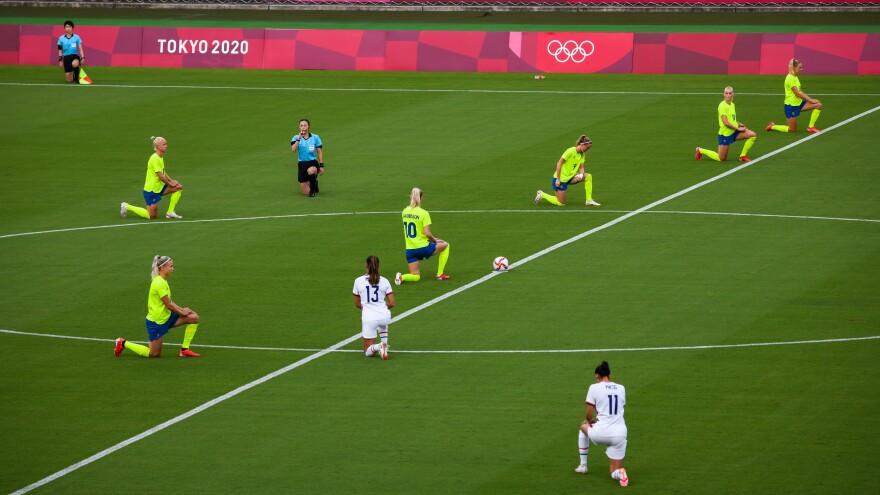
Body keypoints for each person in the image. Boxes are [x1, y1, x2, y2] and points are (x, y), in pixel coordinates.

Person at [115, 256, 202, 358]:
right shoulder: (159, 283)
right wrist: (182, 313)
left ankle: (184, 350)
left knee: (194, 318)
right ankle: (122, 343)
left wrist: (182, 309)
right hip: (157, 322)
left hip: (166, 317)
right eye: (171, 266)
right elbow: (168, 305)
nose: (173, 268)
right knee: (154, 354)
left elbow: (169, 301)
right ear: (163, 268)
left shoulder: (163, 280)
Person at [575, 360, 629, 487]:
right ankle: (620, 473)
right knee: (613, 471)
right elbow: (619, 409)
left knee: (582, 427)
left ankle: (583, 466)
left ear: (597, 376)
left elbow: (588, 415)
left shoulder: (594, 387)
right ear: (610, 375)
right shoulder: (621, 388)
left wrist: (591, 421)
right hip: (620, 435)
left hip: (601, 433)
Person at [395, 187, 450, 285]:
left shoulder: (405, 211)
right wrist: (435, 240)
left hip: (410, 250)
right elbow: (427, 234)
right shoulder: (424, 213)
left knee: (416, 276)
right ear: (422, 197)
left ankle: (401, 277)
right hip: (423, 248)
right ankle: (440, 274)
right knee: (445, 245)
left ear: (411, 197)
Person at [120, 136, 184, 220]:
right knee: (152, 216)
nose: (166, 146)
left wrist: (171, 181)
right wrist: (170, 184)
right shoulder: (155, 158)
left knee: (178, 188)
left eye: (166, 144)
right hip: (151, 190)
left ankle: (170, 212)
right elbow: (160, 176)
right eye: (164, 144)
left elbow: (163, 172)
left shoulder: (160, 156)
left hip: (159, 187)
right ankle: (126, 206)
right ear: (158, 147)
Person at [695, 86, 757, 163]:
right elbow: (726, 123)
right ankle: (700, 150)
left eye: (730, 93)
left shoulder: (732, 104)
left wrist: (739, 124)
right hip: (725, 134)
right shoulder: (722, 106)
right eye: (726, 93)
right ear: (723, 94)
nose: (728, 95)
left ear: (733, 94)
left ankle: (742, 156)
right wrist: (738, 128)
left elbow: (731, 119)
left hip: (734, 131)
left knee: (752, 135)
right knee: (721, 158)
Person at [534, 135, 600, 207]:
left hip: (571, 177)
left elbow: (581, 167)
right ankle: (542, 194)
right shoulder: (570, 151)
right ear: (582, 145)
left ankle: (589, 200)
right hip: (561, 179)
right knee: (561, 203)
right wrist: (558, 179)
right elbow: (559, 163)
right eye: (587, 148)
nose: (587, 150)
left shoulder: (582, 154)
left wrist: (581, 175)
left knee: (588, 176)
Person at [353, 255, 395, 359]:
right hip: (385, 316)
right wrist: (382, 308)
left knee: (367, 352)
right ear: (378, 266)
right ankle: (384, 344)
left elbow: (357, 304)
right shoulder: (385, 281)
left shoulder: (358, 281)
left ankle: (380, 346)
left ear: (366, 265)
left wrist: (367, 309)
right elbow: (392, 303)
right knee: (382, 321)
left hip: (369, 319)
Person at [767, 58, 823, 133]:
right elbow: (798, 94)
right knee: (792, 130)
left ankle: (811, 127)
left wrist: (811, 100)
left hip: (799, 103)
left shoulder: (795, 77)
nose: (801, 69)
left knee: (818, 105)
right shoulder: (790, 78)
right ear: (794, 68)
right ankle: (772, 126)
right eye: (800, 67)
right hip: (791, 106)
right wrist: (811, 100)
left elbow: (801, 91)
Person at [290, 118, 324, 197]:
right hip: (302, 164)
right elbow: (293, 150)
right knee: (305, 192)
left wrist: (321, 165)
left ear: (308, 126)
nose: (303, 127)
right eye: (301, 126)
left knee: (311, 171)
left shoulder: (315, 137)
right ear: (299, 127)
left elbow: (319, 151)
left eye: (305, 125)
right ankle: (314, 182)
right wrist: (299, 139)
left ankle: (312, 190)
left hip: (312, 163)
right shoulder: (295, 137)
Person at [57, 20, 84, 84]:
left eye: (70, 27)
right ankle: (72, 73)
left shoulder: (77, 37)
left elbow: (80, 48)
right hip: (66, 58)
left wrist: (83, 57)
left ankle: (76, 78)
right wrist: (60, 60)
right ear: (64, 28)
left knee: (75, 64)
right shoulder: (61, 38)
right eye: (66, 27)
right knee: (69, 80)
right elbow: (60, 50)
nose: (68, 28)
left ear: (72, 28)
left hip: (74, 56)